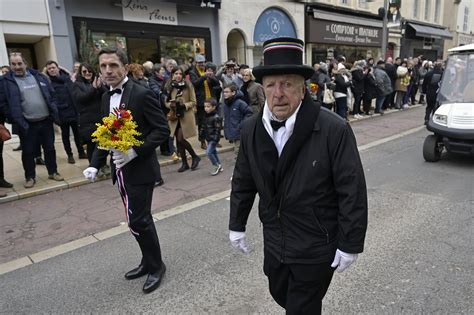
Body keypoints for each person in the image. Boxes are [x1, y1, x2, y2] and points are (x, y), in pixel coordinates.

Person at [228, 37, 368, 314]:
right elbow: (244, 181)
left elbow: (351, 188)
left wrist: (350, 242)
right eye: (271, 85)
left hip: (315, 243)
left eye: (287, 84)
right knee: (280, 293)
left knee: (301, 307)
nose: (278, 93)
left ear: (303, 90)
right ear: (262, 88)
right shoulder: (250, 129)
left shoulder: (333, 129)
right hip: (275, 241)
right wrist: (237, 224)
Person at [83, 48, 169, 294]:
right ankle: (147, 261)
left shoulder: (142, 94)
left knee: (139, 220)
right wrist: (94, 163)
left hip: (140, 169)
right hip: (119, 170)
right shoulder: (104, 97)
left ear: (125, 66)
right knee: (135, 221)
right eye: (103, 66)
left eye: (113, 65)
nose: (108, 71)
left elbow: (161, 130)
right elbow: (107, 133)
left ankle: (156, 267)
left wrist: (134, 151)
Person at [2, 53, 64, 188]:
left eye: (19, 63)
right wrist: (13, 117)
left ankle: (53, 172)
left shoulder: (38, 76)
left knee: (50, 148)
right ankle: (30, 177)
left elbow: (51, 94)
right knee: (28, 152)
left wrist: (54, 110)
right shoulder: (6, 82)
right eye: (13, 64)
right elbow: (3, 103)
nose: (17, 67)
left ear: (25, 64)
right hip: (27, 124)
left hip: (46, 121)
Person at [45, 60, 87, 164]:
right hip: (61, 114)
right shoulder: (49, 82)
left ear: (58, 68)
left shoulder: (67, 78)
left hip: (73, 111)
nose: (52, 70)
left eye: (53, 67)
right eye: (49, 68)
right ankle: (70, 155)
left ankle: (81, 152)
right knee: (65, 136)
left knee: (77, 134)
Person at [164, 66, 200, 172]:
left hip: (185, 116)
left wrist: (184, 105)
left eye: (180, 74)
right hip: (174, 117)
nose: (178, 76)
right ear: (172, 75)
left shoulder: (188, 84)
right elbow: (165, 101)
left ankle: (194, 156)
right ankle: (184, 163)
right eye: (176, 74)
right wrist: (171, 104)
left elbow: (194, 101)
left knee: (180, 139)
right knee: (178, 142)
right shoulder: (169, 85)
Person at [72, 63, 104, 163]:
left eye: (89, 71)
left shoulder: (98, 81)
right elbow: (81, 98)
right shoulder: (77, 85)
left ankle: (103, 165)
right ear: (81, 73)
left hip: (100, 118)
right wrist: (93, 88)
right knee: (92, 145)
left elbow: (105, 95)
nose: (87, 73)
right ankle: (94, 166)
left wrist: (100, 86)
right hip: (88, 120)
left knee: (102, 144)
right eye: (84, 71)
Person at [189, 54, 221, 150]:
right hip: (201, 102)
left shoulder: (208, 70)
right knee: (202, 123)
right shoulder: (193, 72)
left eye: (202, 62)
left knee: (214, 122)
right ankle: (202, 141)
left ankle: (213, 141)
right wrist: (204, 76)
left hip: (211, 100)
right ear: (196, 63)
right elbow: (195, 84)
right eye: (199, 63)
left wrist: (211, 76)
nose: (201, 64)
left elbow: (216, 83)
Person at [222, 83, 252, 159]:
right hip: (233, 132)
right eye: (224, 92)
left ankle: (241, 169)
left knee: (238, 152)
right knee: (240, 153)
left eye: (227, 92)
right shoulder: (226, 104)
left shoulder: (240, 103)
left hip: (240, 132)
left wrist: (241, 125)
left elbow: (249, 113)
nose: (225, 94)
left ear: (233, 92)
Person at [203, 98, 223, 175]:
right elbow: (203, 127)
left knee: (208, 153)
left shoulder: (216, 117)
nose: (206, 108)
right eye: (205, 107)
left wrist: (215, 139)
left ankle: (216, 165)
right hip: (208, 138)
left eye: (208, 106)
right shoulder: (206, 116)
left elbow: (218, 129)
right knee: (213, 152)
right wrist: (202, 136)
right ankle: (219, 165)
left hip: (213, 139)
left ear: (214, 107)